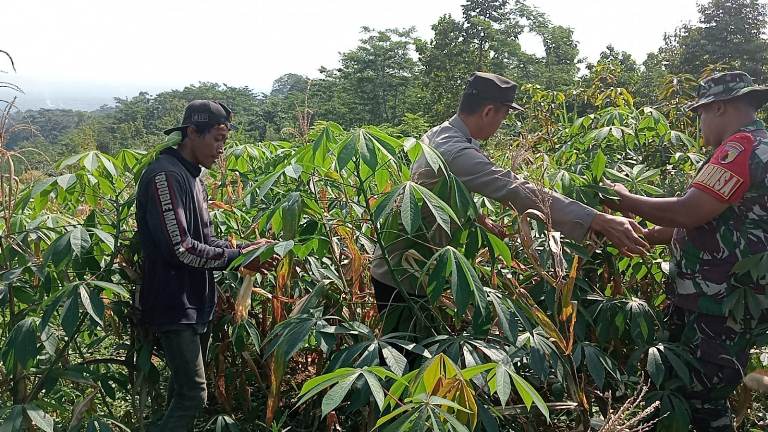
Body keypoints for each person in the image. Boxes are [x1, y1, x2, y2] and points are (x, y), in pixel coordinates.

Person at [370, 72, 649, 326]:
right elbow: (514, 188)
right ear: (489, 111)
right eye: (503, 117)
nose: (501, 125)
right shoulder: (456, 151)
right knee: (408, 361)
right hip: (403, 275)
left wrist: (479, 220)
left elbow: (442, 189)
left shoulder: (443, 133)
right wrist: (596, 219)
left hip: (410, 265)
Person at [606, 71, 768, 431]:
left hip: (718, 299)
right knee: (688, 388)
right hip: (717, 296)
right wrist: (646, 235)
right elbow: (708, 220)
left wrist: (625, 200)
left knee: (703, 400)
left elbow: (688, 210)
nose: (700, 123)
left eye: (701, 114)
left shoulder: (740, 148)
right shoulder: (759, 145)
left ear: (720, 107)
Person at [136, 100, 274, 431]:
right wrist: (238, 258)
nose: (220, 149)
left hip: (195, 302)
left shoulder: (192, 177)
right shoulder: (165, 177)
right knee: (193, 395)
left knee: (179, 392)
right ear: (191, 133)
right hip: (174, 303)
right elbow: (181, 249)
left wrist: (244, 250)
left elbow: (206, 241)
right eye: (217, 139)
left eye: (224, 141)